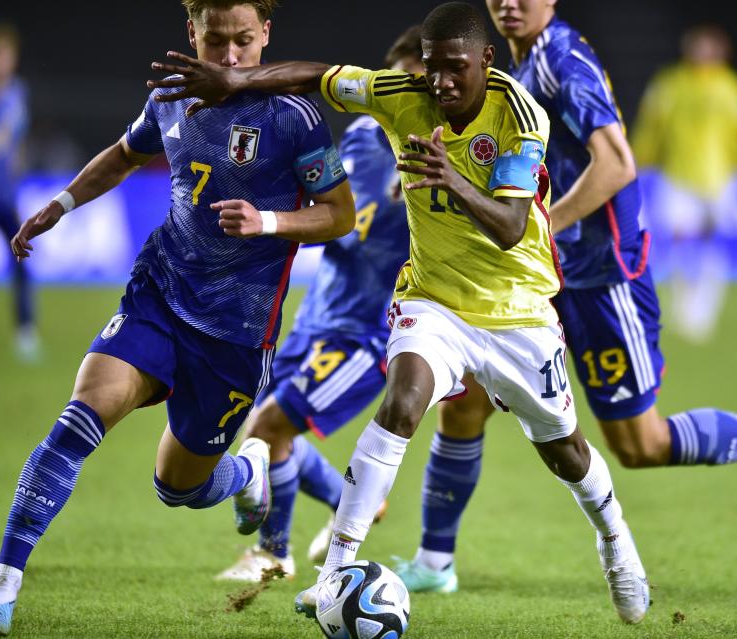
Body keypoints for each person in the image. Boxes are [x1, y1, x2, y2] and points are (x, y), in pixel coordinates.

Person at [149, 1, 652, 625]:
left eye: (455, 69)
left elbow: (510, 225)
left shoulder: (523, 116)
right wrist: (238, 79)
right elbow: (319, 75)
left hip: (518, 310)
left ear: (486, 62)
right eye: (434, 69)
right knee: (402, 403)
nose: (440, 82)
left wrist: (452, 178)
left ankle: (615, 542)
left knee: (565, 451)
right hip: (433, 300)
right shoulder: (402, 93)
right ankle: (335, 570)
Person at [389, 0, 737, 595]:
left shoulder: (562, 60)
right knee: (466, 399)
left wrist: (541, 225)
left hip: (602, 274)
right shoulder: (512, 66)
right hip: (540, 277)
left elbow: (617, 163)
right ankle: (434, 560)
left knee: (641, 445)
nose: (509, 3)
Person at [0, 1, 355, 635]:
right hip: (161, 294)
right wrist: (62, 202)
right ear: (193, 33)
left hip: (237, 335)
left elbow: (341, 214)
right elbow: (127, 153)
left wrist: (269, 221)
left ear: (267, 33)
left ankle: (246, 472)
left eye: (245, 40)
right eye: (217, 41)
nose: (232, 56)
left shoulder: (295, 118)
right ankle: (4, 579)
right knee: (81, 415)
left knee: (177, 488)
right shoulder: (170, 95)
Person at [215, 26, 422, 583]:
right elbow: (333, 209)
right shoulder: (358, 136)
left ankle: (272, 553)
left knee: (269, 425)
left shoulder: (437, 161)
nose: (408, 93)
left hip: (367, 334)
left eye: (420, 83)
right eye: (397, 82)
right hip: (316, 314)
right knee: (254, 429)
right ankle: (349, 500)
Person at [632, 24, 737, 343]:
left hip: (722, 177)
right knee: (681, 240)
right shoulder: (670, 85)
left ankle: (705, 310)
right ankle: (685, 309)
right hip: (679, 176)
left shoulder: (734, 88)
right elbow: (651, 128)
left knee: (713, 243)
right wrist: (638, 161)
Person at [0, 23, 37, 362]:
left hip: (5, 195)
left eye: (6, 55)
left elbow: (11, 144)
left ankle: (25, 332)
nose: (1, 61)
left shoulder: (17, 93)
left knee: (21, 260)